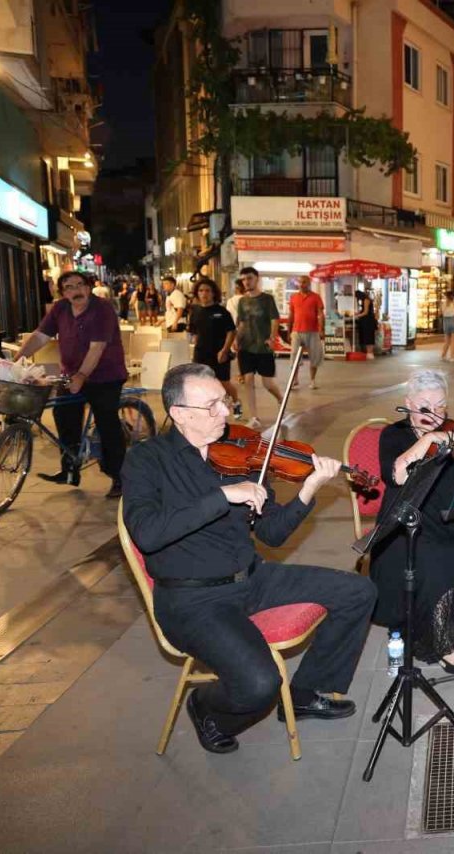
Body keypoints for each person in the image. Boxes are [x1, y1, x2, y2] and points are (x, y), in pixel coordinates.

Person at [122, 363, 375, 755]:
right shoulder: (147, 461)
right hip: (193, 601)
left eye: (224, 401)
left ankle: (307, 691)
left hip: (252, 578)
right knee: (259, 686)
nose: (226, 412)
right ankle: (207, 708)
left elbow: (272, 533)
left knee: (358, 591)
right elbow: (148, 532)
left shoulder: (243, 453)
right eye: (212, 406)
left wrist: (308, 490)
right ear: (180, 414)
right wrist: (221, 497)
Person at [369, 369, 454, 672]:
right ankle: (440, 643)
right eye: (425, 404)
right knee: (434, 558)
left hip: (449, 512)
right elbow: (397, 475)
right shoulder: (394, 434)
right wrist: (428, 439)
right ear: (408, 403)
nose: (434, 412)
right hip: (409, 515)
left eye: (440, 405)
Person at [16, 270, 129, 497]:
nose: (76, 290)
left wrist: (81, 377)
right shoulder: (60, 309)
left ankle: (120, 477)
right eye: (69, 287)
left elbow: (97, 347)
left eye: (80, 285)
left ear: (88, 287)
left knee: (107, 423)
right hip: (71, 373)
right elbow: (40, 336)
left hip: (105, 375)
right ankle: (69, 469)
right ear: (63, 293)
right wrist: (17, 359)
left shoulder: (102, 308)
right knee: (63, 414)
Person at [235, 267, 284, 431]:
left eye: (249, 278)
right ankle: (254, 417)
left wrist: (272, 338)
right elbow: (241, 323)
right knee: (248, 380)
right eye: (243, 279)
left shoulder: (267, 299)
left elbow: (274, 320)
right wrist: (236, 339)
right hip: (246, 347)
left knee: (268, 383)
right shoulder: (242, 301)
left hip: (263, 347)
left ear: (257, 279)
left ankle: (280, 399)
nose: (246, 282)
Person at [188, 278, 241, 419]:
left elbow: (231, 331)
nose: (204, 293)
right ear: (197, 293)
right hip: (201, 353)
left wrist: (224, 350)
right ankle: (207, 408)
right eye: (201, 291)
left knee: (223, 383)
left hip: (219, 353)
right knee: (202, 381)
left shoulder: (221, 312)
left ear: (213, 293)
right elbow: (194, 333)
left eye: (207, 291)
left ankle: (236, 403)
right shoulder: (195, 311)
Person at [286, 277, 325, 389]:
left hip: (313, 331)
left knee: (315, 356)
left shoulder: (316, 297)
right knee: (294, 355)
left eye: (304, 282)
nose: (302, 284)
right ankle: (295, 379)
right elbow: (291, 315)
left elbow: (320, 314)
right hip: (297, 331)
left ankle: (312, 380)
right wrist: (289, 331)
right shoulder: (293, 297)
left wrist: (321, 329)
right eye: (300, 282)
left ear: (309, 283)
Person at [354, 288, 377, 358]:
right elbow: (364, 310)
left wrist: (358, 315)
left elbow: (366, 312)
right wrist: (358, 313)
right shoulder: (365, 299)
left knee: (368, 336)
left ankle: (370, 353)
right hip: (367, 320)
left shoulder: (366, 300)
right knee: (368, 336)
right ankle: (369, 353)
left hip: (368, 320)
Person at [440, 292, 454, 362]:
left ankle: (443, 355)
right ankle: (452, 356)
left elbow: (441, 314)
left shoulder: (443, 305)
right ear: (453, 297)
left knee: (447, 341)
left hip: (446, 322)